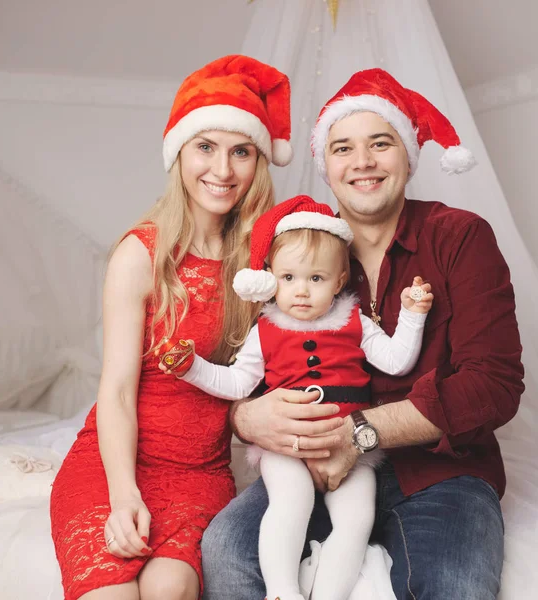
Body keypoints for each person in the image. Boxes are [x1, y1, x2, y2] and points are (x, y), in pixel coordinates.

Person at [201, 68, 524, 600]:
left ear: (408, 154)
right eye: (343, 148)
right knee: (228, 554)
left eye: (381, 143)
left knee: (453, 587)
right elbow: (248, 365)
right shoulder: (304, 250)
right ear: (325, 167)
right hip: (311, 467)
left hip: (441, 472)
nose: (363, 163)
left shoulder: (460, 237)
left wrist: (359, 434)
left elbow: (494, 385)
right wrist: (246, 416)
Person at [48, 55, 335, 600]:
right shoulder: (142, 254)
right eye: (206, 147)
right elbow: (116, 391)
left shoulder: (266, 263)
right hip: (115, 464)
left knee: (171, 590)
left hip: (199, 475)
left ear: (258, 162)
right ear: (179, 153)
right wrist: (124, 493)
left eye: (241, 151)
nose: (222, 171)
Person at [158, 195, 433, 600]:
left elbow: (397, 362)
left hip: (349, 448)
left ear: (340, 281)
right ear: (271, 276)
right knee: (291, 502)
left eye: (316, 279)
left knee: (358, 519)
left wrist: (412, 315)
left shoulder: (354, 323)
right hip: (287, 447)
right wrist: (192, 367)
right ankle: (282, 592)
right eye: (288, 278)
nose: (301, 291)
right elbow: (237, 384)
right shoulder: (265, 330)